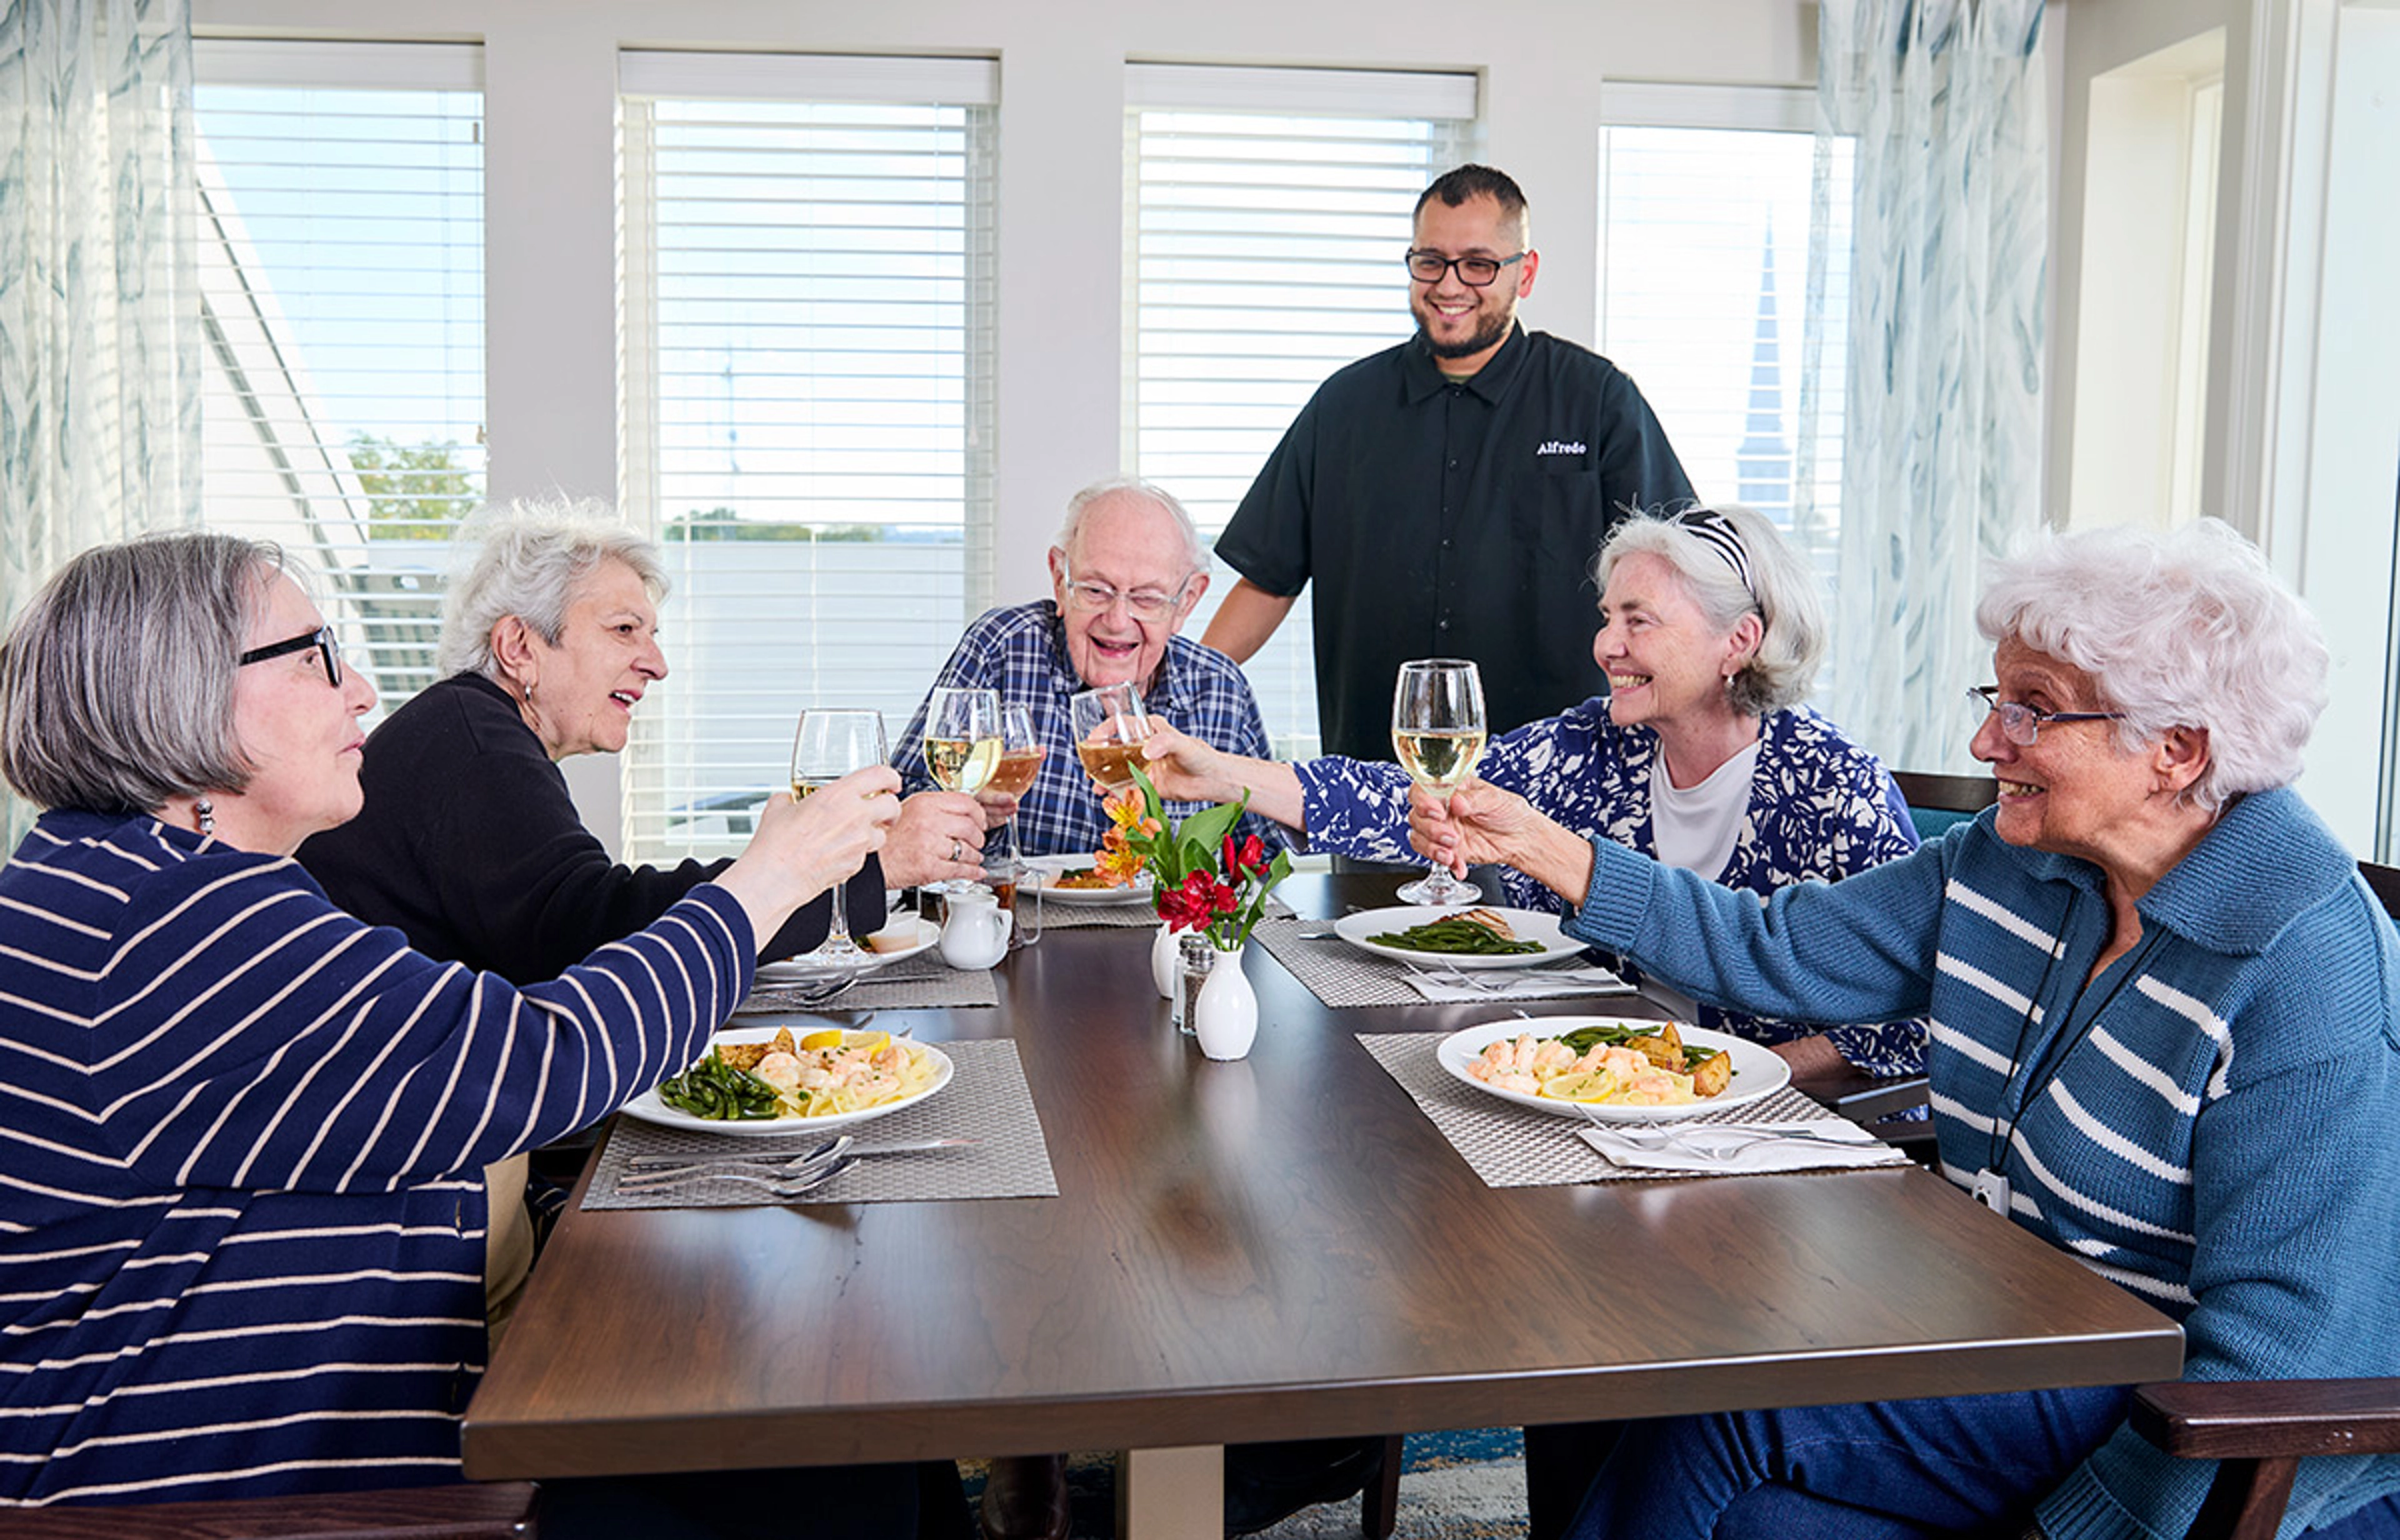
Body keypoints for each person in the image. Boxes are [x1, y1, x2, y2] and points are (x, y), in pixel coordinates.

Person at [1408, 519, 2400, 1540]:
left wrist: (2068, 1527)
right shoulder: (2015, 863)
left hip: (2188, 1446)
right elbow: (1780, 947)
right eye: (1996, 698)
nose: (1985, 741)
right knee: (1663, 1405)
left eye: (2034, 710)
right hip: (2007, 1341)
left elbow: (2286, 1370)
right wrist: (1548, 848)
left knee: (1731, 1399)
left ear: (2176, 751)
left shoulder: (2308, 967)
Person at [0, 532, 924, 1538]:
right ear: (175, 692)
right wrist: (772, 879)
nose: (359, 690)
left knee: (839, 1450)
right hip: (264, 1499)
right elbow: (542, 1056)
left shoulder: (129, 880)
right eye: (314, 658)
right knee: (845, 1468)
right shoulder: (177, 925)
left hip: (339, 1422)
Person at [1145, 504, 1924, 1079]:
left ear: (1739, 641)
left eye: (1638, 620)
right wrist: (1220, 772)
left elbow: (1909, 1023)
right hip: (1596, 1082)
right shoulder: (1595, 744)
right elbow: (1413, 797)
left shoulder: (1834, 788)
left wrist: (1725, 1078)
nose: (1605, 643)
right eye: (1607, 615)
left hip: (1756, 1130)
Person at [301, 497, 989, 985]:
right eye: (625, 630)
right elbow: (595, 937)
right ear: (519, 646)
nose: (657, 663)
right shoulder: (474, 743)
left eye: (653, 636)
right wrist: (868, 867)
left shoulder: (471, 732)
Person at [1204, 163, 1696, 762]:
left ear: (1526, 273)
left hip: (1562, 783)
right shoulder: (1344, 407)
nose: (1450, 284)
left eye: (1479, 264)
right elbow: (1268, 579)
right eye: (1431, 261)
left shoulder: (1596, 401)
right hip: (1377, 784)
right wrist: (1182, 690)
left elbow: (1677, 580)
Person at [893, 475, 1286, 864]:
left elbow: (1261, 857)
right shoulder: (1002, 647)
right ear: (1060, 580)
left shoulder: (1219, 687)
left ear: (1187, 601)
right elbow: (899, 810)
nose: (1117, 621)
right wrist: (967, 810)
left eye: (1147, 598)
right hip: (1022, 922)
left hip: (1165, 928)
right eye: (1096, 590)